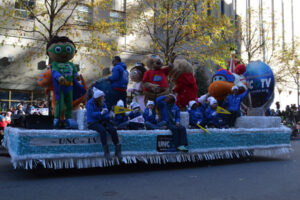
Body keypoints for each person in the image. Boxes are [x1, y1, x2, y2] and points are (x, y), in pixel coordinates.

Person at [86, 87, 121, 160]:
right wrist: (100, 113)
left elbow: (106, 113)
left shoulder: (103, 103)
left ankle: (118, 151)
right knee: (103, 131)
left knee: (113, 130)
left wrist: (109, 115)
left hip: (102, 121)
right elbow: (91, 114)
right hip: (92, 122)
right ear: (98, 97)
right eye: (102, 97)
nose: (103, 98)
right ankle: (106, 152)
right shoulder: (90, 103)